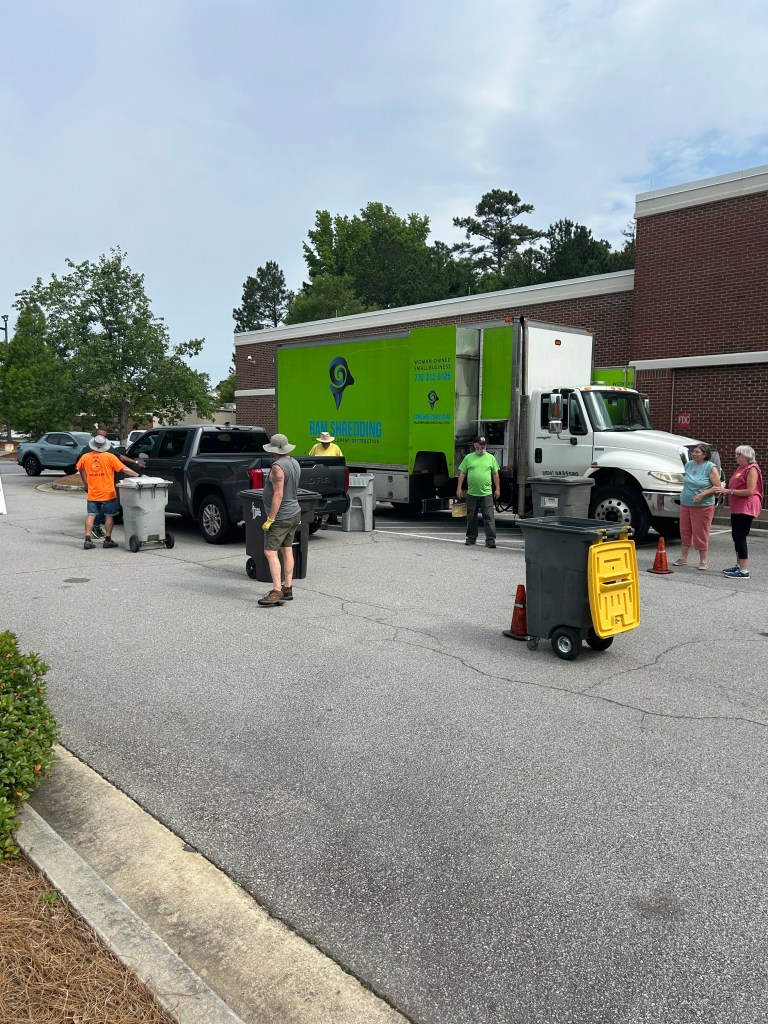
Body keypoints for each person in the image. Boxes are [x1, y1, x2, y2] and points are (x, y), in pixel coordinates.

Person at [258, 433, 302, 607]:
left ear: (273, 450)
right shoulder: (294, 462)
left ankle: (276, 591)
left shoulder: (277, 467)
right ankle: (287, 588)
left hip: (281, 516)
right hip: (294, 512)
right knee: (287, 549)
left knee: (270, 552)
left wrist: (270, 519)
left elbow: (278, 494)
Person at [76, 435, 139, 549]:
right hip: (108, 493)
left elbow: (80, 468)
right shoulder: (110, 457)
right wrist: (137, 475)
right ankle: (108, 540)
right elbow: (124, 469)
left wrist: (86, 483)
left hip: (93, 492)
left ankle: (87, 540)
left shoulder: (85, 457)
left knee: (91, 515)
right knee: (109, 516)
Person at [715, 445, 763, 579]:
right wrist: (726, 491)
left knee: (740, 536)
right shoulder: (740, 468)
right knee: (736, 536)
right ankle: (738, 565)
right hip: (737, 506)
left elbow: (750, 491)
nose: (736, 456)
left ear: (747, 456)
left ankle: (744, 570)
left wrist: (729, 491)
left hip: (746, 506)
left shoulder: (752, 469)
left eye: (739, 454)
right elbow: (735, 486)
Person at [673, 443, 721, 570]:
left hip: (703, 506)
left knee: (701, 532)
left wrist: (702, 495)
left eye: (697, 452)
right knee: (685, 530)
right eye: (693, 452)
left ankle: (703, 561)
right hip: (686, 503)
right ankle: (683, 558)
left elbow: (717, 487)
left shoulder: (710, 467)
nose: (694, 454)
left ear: (705, 454)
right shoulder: (689, 465)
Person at [456, 436, 501, 548]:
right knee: (471, 517)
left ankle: (490, 540)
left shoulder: (490, 458)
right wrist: (459, 488)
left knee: (489, 517)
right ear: (475, 445)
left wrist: (498, 489)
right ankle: (471, 538)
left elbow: (495, 474)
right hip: (472, 493)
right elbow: (462, 473)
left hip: (486, 493)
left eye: (484, 444)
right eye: (480, 444)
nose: (482, 446)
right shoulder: (468, 458)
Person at [308, 431, 344, 526]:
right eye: (323, 442)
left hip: (332, 474)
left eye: (327, 442)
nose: (325, 444)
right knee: (323, 496)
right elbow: (310, 459)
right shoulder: (315, 447)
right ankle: (323, 520)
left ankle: (333, 518)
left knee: (332, 495)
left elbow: (340, 460)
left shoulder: (335, 448)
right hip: (319, 475)